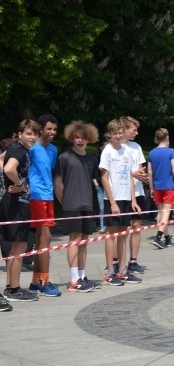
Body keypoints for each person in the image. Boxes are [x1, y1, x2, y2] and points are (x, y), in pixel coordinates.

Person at [54, 121, 101, 292]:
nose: (79, 140)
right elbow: (57, 183)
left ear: (89, 139)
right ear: (72, 137)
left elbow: (92, 180)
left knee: (84, 242)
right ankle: (74, 279)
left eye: (83, 138)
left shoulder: (92, 159)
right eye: (76, 137)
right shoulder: (64, 157)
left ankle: (82, 275)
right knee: (74, 239)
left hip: (87, 204)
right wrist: (64, 202)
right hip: (72, 204)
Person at [1, 120, 42, 304]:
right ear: (19, 135)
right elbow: (8, 168)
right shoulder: (19, 150)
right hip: (17, 203)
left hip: (11, 203)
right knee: (19, 247)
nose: (32, 137)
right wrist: (19, 185)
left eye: (34, 134)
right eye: (28, 133)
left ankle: (11, 286)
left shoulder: (16, 149)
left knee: (13, 248)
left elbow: (3, 161)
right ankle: (14, 289)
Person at [99, 119, 142, 286]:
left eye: (120, 133)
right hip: (113, 198)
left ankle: (123, 270)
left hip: (126, 197)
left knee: (124, 234)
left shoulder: (128, 151)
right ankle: (110, 271)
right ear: (110, 134)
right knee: (111, 235)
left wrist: (133, 200)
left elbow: (131, 176)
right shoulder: (107, 152)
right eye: (114, 133)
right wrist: (112, 202)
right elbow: (104, 177)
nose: (117, 136)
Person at [28, 114, 61, 297]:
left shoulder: (54, 150)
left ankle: (36, 281)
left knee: (43, 238)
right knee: (45, 237)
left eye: (55, 129)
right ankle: (45, 281)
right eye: (49, 129)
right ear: (41, 128)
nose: (52, 132)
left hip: (48, 197)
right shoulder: (32, 148)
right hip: (36, 196)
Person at [120, 116, 147, 274]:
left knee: (137, 227)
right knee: (122, 227)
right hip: (122, 193)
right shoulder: (116, 147)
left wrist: (142, 174)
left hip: (138, 192)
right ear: (124, 129)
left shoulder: (136, 146)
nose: (136, 132)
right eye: (133, 129)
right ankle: (118, 261)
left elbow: (140, 167)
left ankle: (133, 261)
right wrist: (133, 173)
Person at [147, 129, 174, 249]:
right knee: (166, 212)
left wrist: (151, 187)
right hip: (169, 185)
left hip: (157, 186)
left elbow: (149, 172)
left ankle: (166, 238)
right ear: (167, 137)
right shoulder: (171, 152)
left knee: (160, 213)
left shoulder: (151, 153)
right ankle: (159, 236)